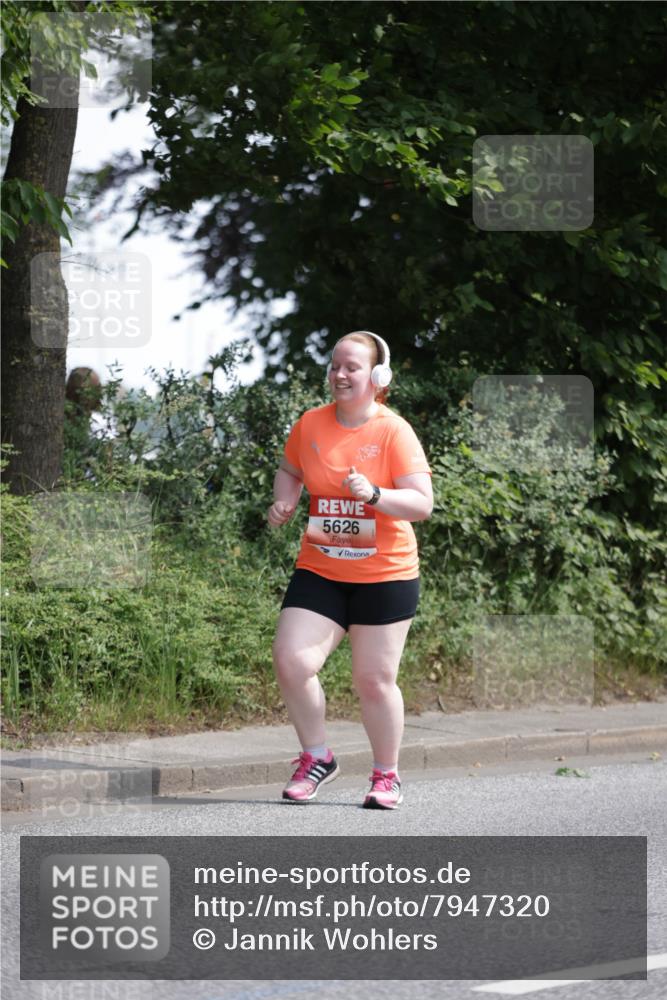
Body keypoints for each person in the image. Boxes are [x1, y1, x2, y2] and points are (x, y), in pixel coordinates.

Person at [268, 331, 433, 809]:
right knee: (291, 659)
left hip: (386, 573)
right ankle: (317, 757)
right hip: (321, 567)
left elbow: (422, 504)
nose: (339, 375)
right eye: (335, 366)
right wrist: (286, 499)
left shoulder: (392, 430)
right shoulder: (311, 424)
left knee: (374, 680)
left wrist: (376, 496)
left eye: (352, 367)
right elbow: (290, 469)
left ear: (377, 378)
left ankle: (386, 776)